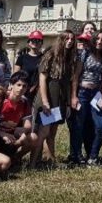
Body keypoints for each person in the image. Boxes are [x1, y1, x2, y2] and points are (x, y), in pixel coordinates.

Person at [70, 31, 102, 166]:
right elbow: (76, 76)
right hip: (82, 92)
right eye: (97, 39)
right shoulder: (85, 53)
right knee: (79, 126)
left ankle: (93, 156)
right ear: (93, 40)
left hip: (96, 94)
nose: (100, 42)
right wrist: (74, 96)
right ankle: (76, 156)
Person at [35, 33, 75, 166]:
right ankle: (35, 161)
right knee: (44, 131)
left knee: (53, 131)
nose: (69, 42)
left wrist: (68, 103)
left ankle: (50, 159)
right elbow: (42, 79)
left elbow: (69, 83)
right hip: (49, 96)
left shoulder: (69, 58)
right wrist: (45, 102)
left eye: (72, 39)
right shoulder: (50, 54)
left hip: (60, 97)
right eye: (66, 39)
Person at [0, 71, 37, 165]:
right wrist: (1, 133)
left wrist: (23, 132)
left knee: (33, 137)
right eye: (18, 85)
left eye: (24, 86)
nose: (21, 88)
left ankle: (15, 159)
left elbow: (28, 125)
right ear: (11, 85)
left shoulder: (25, 102)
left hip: (13, 133)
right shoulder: (1, 99)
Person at [13, 30, 45, 103]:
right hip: (23, 91)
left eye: (38, 40)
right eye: (33, 40)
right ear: (29, 42)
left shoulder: (44, 58)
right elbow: (15, 75)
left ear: (41, 43)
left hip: (38, 91)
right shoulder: (22, 57)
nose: (35, 42)